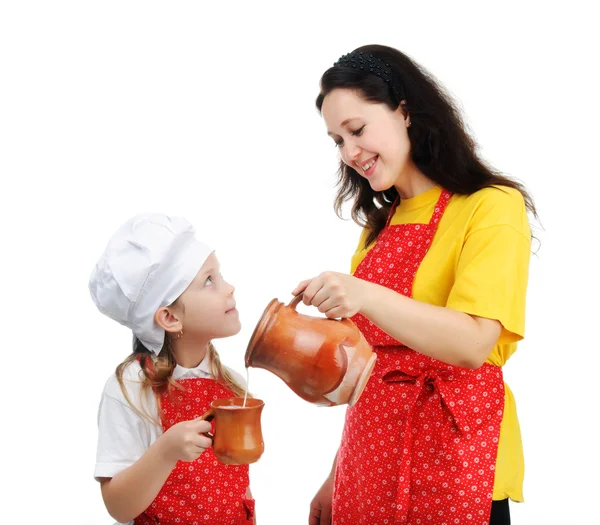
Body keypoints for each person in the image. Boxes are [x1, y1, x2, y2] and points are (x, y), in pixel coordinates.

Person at [296, 45, 536, 525]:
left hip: (455, 459)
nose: (350, 153)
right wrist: (336, 473)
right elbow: (371, 368)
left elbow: (473, 343)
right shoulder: (379, 227)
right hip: (369, 461)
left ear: (404, 110)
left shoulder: (490, 207)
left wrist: (363, 294)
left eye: (357, 130)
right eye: (336, 140)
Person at [89, 213, 255, 525]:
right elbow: (118, 506)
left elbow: (238, 489)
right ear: (169, 318)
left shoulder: (228, 382)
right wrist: (165, 451)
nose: (229, 287)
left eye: (220, 275)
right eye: (209, 280)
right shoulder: (131, 388)